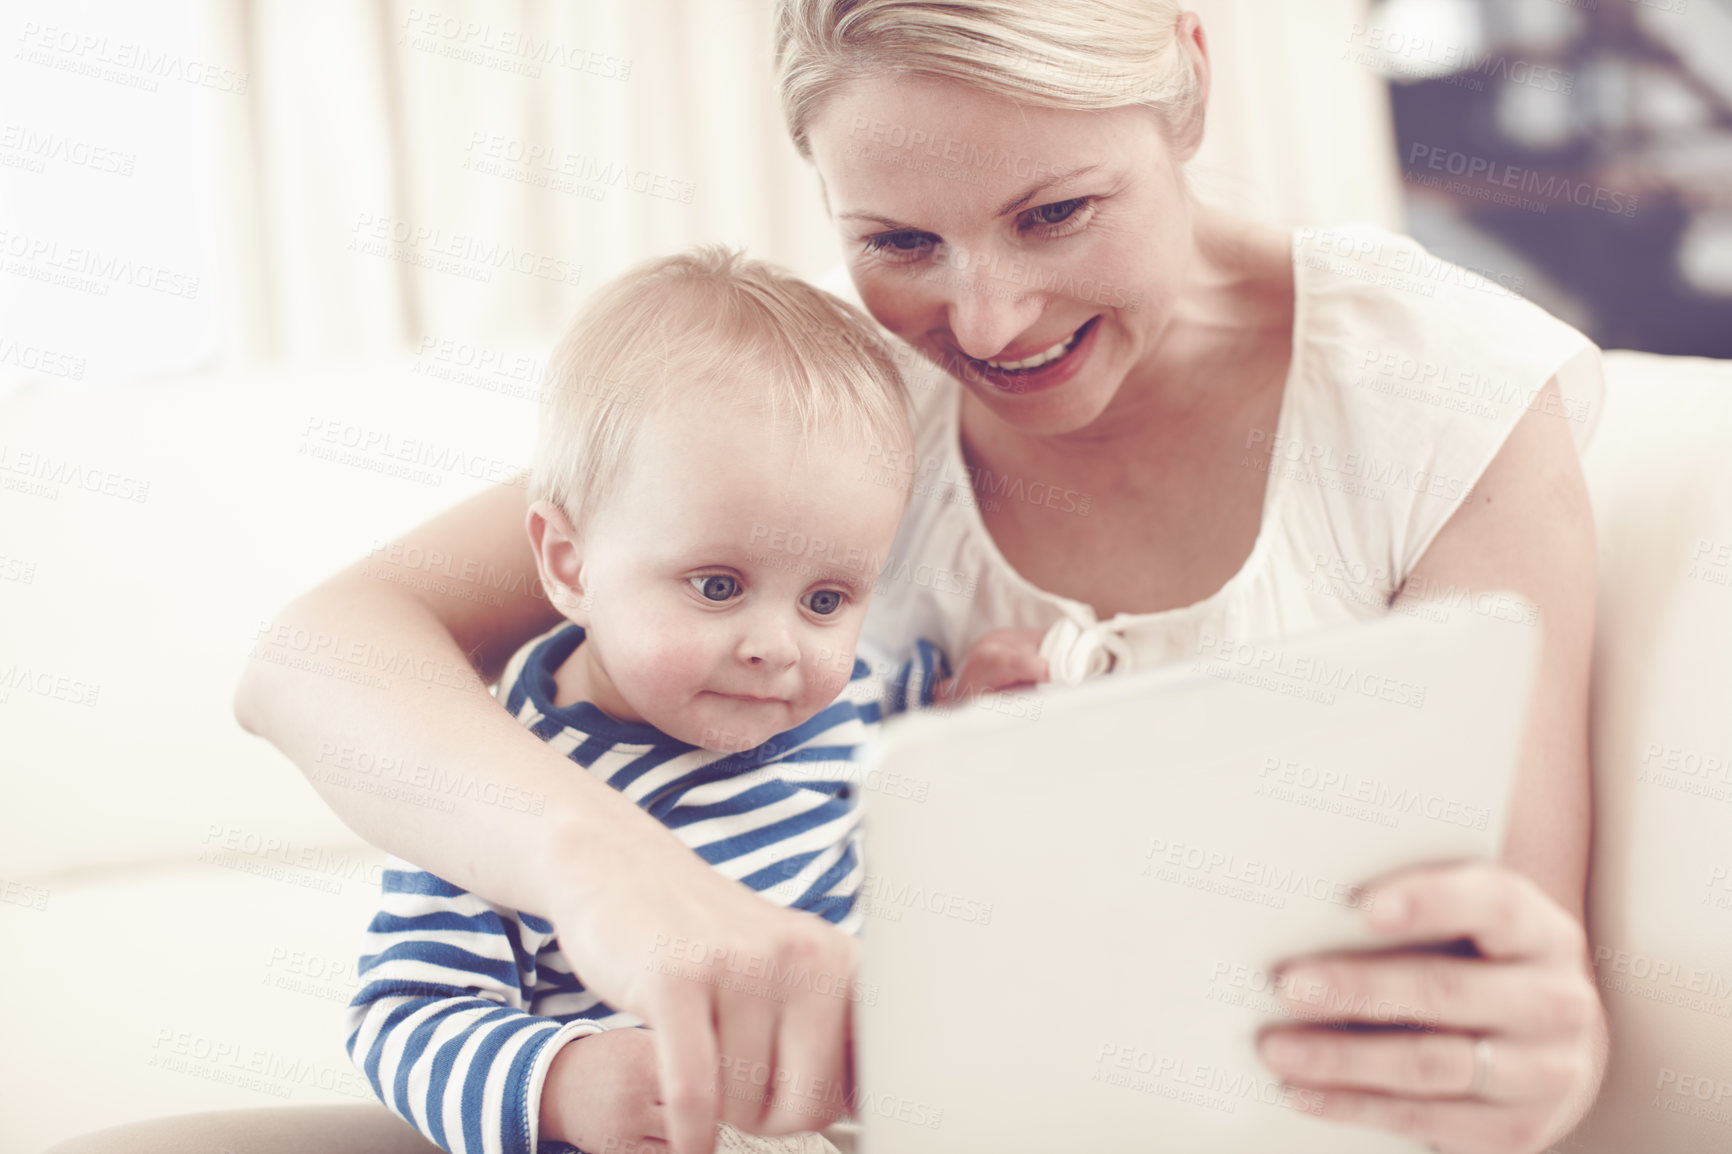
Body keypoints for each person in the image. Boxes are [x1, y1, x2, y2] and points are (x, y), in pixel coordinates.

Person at [53, 3, 1608, 1154]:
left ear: (1189, 85)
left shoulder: (1438, 393)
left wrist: (1532, 1055)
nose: (987, 320)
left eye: (1056, 212)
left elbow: (1513, 974)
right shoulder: (829, 403)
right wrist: (625, 887)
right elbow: (315, 657)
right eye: (898, 240)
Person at [345, 248, 1044, 1154]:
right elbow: (403, 1017)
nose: (775, 646)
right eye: (717, 586)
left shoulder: (844, 700)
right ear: (568, 563)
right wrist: (564, 1081)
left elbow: (912, 733)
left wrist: (970, 704)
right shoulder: (500, 778)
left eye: (826, 600)